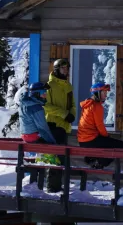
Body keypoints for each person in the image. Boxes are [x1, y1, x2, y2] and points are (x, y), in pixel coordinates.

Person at [77, 82, 123, 169]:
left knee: (106, 143)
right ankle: (99, 163)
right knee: (121, 145)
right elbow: (99, 125)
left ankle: (91, 158)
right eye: (104, 93)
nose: (106, 95)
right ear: (97, 93)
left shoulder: (87, 104)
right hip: (90, 140)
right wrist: (107, 136)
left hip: (82, 141)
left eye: (106, 93)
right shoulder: (97, 106)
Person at [44, 58, 76, 191]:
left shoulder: (68, 86)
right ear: (57, 69)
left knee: (63, 158)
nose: (66, 70)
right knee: (53, 158)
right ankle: (52, 187)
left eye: (67, 68)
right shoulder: (49, 85)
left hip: (64, 127)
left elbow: (72, 104)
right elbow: (46, 106)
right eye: (63, 68)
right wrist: (63, 113)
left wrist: (72, 114)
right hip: (52, 125)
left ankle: (58, 186)